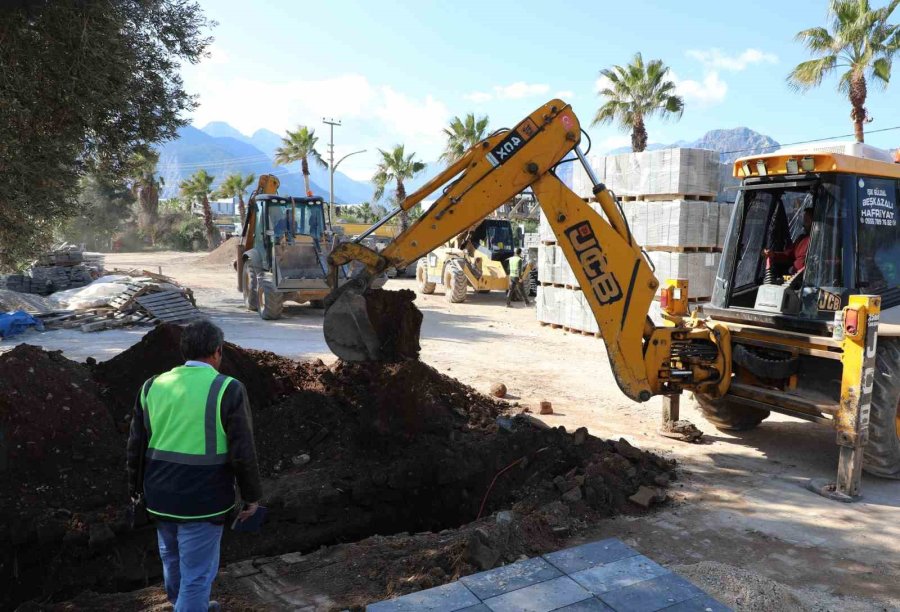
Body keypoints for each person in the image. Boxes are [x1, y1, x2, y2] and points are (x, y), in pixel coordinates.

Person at [127, 320, 262, 612]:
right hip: (204, 499)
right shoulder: (228, 388)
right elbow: (243, 451)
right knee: (197, 575)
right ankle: (191, 605)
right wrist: (252, 497)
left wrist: (135, 490)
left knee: (173, 560)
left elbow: (136, 446)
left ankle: (188, 605)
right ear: (217, 351)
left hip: (159, 495)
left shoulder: (151, 386)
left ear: (184, 351)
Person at [764, 207, 813, 275]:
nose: (803, 225)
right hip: (794, 277)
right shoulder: (801, 239)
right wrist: (773, 254)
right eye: (804, 221)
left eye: (807, 221)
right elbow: (788, 255)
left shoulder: (822, 242)